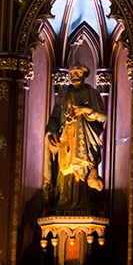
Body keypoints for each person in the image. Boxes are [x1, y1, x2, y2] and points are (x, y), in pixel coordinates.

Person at [44, 66, 107, 213]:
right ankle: (63, 205)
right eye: (72, 73)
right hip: (66, 140)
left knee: (83, 175)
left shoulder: (92, 94)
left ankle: (83, 206)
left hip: (85, 142)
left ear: (85, 74)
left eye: (78, 73)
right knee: (65, 173)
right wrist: (53, 134)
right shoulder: (64, 94)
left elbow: (103, 118)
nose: (74, 76)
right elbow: (54, 117)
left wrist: (87, 111)